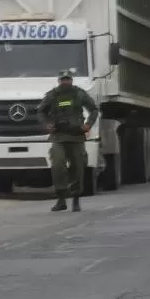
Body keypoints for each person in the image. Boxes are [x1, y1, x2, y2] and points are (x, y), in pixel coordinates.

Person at [37, 69, 99, 212]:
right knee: (58, 164)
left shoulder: (79, 93)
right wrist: (47, 124)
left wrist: (88, 124)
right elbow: (41, 111)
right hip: (58, 136)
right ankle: (61, 199)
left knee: (78, 166)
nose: (66, 82)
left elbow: (94, 109)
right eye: (63, 79)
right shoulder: (52, 95)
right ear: (59, 80)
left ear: (71, 80)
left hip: (76, 136)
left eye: (68, 79)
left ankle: (76, 198)